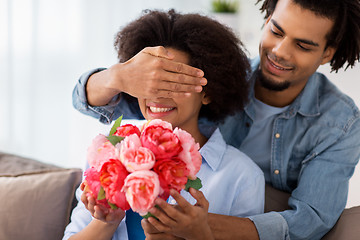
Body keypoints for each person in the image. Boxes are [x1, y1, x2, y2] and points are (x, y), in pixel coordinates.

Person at [72, 0, 360, 239]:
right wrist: (119, 76)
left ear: (327, 54)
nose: (281, 51)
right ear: (267, 19)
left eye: (304, 46)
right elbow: (101, 101)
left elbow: (309, 221)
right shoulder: (119, 148)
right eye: (276, 30)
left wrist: (198, 227)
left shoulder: (339, 124)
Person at [64, 10, 265, 240]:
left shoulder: (242, 176)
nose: (157, 96)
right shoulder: (108, 155)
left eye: (173, 83)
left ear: (208, 92)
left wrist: (200, 234)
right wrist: (106, 223)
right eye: (150, 82)